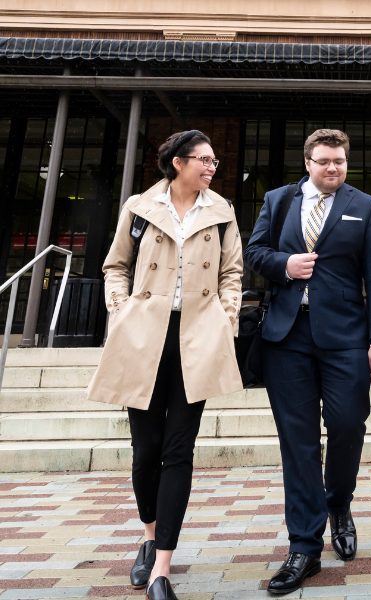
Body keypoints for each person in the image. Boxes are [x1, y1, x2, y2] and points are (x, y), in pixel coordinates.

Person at [87, 130, 243, 600]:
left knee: (179, 450)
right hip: (143, 338)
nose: (212, 167)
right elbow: (115, 265)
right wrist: (121, 309)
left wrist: (226, 318)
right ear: (178, 163)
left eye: (215, 161)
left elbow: (231, 273)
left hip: (195, 339)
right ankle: (150, 534)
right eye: (204, 160)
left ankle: (162, 567)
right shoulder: (139, 207)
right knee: (144, 453)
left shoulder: (221, 212)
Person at [244, 129, 371, 595]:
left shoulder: (365, 206)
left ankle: (339, 504)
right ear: (307, 161)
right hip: (286, 335)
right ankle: (304, 546)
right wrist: (284, 265)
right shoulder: (279, 200)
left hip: (347, 337)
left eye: (341, 161)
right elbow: (254, 252)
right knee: (298, 441)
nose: (334, 168)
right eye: (325, 160)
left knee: (348, 423)